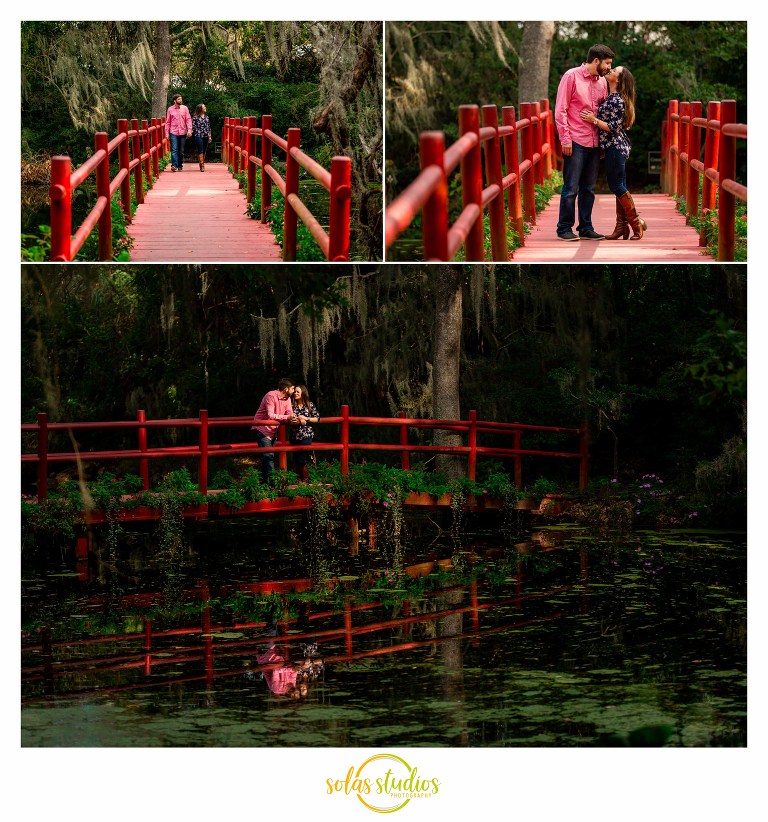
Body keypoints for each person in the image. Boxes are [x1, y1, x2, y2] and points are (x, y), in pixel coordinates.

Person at [554, 44, 615, 241]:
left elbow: (603, 113)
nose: (608, 68)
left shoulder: (602, 83)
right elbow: (560, 110)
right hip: (575, 140)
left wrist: (604, 144)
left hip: (595, 142)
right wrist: (565, 138)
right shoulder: (571, 76)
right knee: (571, 187)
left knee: (588, 188)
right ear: (596, 60)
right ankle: (564, 228)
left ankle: (586, 227)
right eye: (607, 63)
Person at [580, 66, 647, 240]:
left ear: (618, 79)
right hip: (611, 146)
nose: (609, 70)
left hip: (615, 146)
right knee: (619, 186)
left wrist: (592, 120)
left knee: (617, 186)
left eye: (614, 70)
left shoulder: (617, 100)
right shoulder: (611, 96)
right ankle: (621, 227)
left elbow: (612, 127)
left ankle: (636, 223)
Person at [252, 379, 297, 484]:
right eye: (292, 388)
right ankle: (274, 484)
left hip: (272, 430)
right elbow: (271, 415)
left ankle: (262, 483)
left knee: (266, 458)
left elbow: (289, 412)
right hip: (262, 429)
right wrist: (287, 417)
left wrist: (293, 417)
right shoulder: (271, 396)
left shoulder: (287, 399)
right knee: (269, 457)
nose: (294, 390)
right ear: (286, 389)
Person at [290, 385, 320, 482]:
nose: (295, 393)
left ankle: (305, 480)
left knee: (302, 459)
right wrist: (298, 419)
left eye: (298, 392)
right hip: (294, 436)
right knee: (296, 459)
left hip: (306, 435)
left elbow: (317, 418)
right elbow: (287, 417)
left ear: (303, 393)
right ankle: (299, 481)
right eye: (294, 391)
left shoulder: (309, 405)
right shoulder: (291, 405)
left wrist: (306, 418)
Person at [165, 94, 192, 172]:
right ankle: (174, 165)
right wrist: (167, 133)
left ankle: (180, 165)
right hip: (173, 132)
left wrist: (189, 130)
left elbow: (188, 119)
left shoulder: (185, 108)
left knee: (181, 150)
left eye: (181, 99)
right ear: (175, 101)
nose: (181, 100)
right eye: (179, 99)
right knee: (174, 149)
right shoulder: (170, 109)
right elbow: (168, 122)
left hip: (183, 132)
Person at [192, 103, 212, 172]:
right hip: (198, 135)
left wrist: (210, 136)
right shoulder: (195, 118)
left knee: (204, 150)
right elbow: (193, 127)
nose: (205, 108)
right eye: (204, 107)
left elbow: (209, 127)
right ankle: (202, 164)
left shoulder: (207, 117)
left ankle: (201, 163)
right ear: (200, 109)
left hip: (206, 135)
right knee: (200, 149)